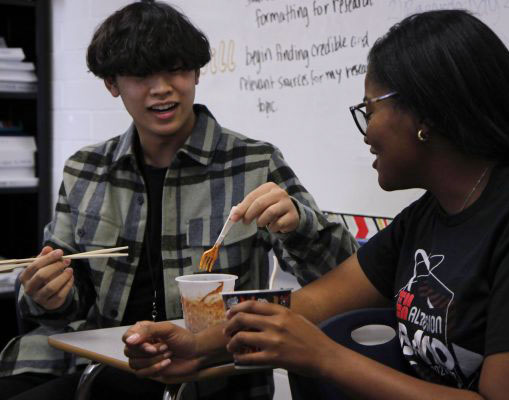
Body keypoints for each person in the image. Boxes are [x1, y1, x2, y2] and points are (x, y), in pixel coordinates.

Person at [122, 9, 509, 399]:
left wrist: (326, 357)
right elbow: (310, 305)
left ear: (426, 115)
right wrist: (196, 347)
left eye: (369, 109)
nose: (367, 132)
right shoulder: (429, 217)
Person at [0, 2, 356, 400]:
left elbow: (344, 279)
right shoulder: (86, 170)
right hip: (99, 364)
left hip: (205, 375)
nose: (162, 88)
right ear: (112, 84)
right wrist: (50, 292)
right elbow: (64, 303)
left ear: (197, 72)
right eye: (140, 75)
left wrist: (299, 225)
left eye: (175, 69)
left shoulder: (254, 163)